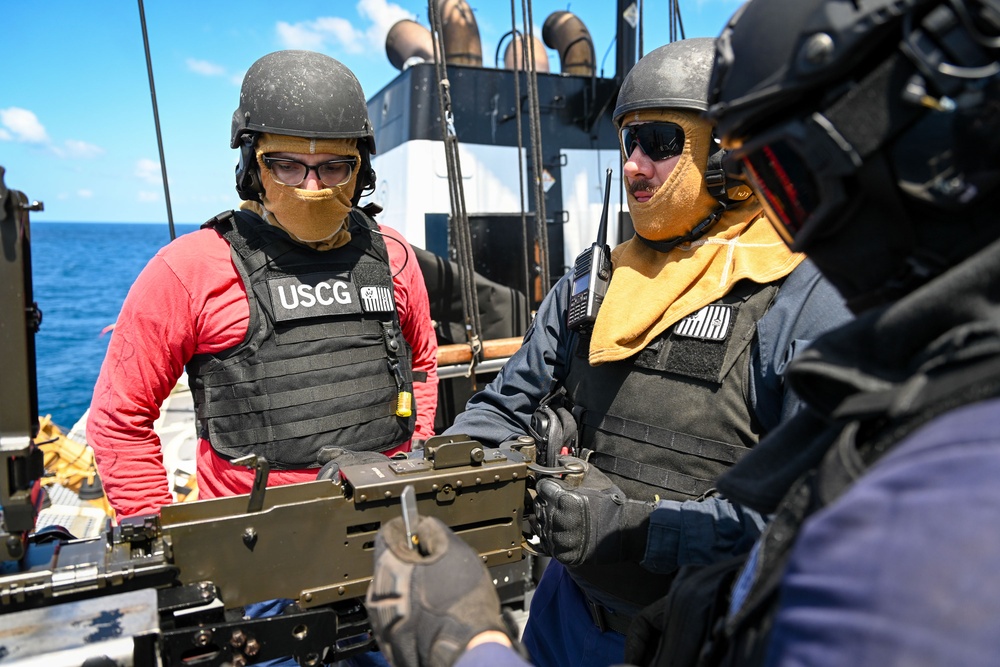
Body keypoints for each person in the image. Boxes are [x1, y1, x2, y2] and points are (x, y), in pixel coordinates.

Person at [439, 37, 851, 667]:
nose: (632, 165)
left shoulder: (799, 296)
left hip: (695, 637)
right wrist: (430, 469)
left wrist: (637, 531)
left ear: (729, 153)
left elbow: (812, 522)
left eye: (659, 142)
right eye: (627, 142)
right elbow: (504, 407)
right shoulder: (593, 284)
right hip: (563, 613)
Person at [619, 1, 1000, 665]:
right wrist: (733, 598)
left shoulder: (924, 530)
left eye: (785, 180)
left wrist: (468, 641)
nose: (797, 235)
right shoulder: (924, 371)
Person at [86, 50, 438, 665]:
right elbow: (120, 417)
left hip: (385, 547)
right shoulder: (188, 270)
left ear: (362, 171)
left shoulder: (394, 258)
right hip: (257, 576)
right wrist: (175, 552)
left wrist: (412, 465)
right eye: (287, 165)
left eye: (334, 167)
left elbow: (423, 366)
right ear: (253, 165)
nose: (312, 186)